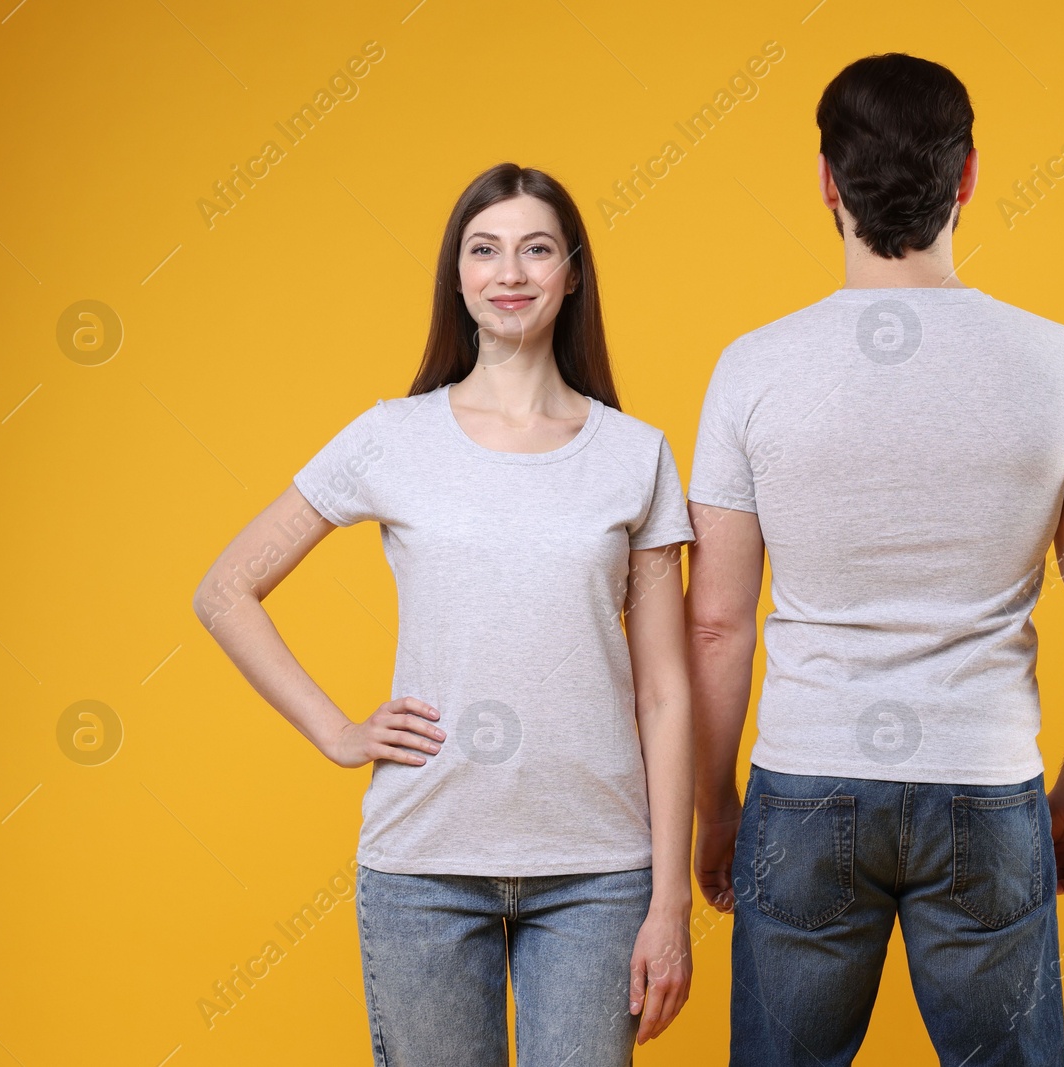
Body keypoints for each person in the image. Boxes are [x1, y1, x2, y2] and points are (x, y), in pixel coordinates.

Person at [685, 54, 1064, 1066]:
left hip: (802, 784)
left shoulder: (751, 369)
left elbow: (713, 621)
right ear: (967, 175)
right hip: (985, 783)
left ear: (825, 181)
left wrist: (716, 804)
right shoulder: (1061, 364)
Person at [193, 163, 695, 1067]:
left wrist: (669, 902)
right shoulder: (393, 436)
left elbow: (665, 691)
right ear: (457, 276)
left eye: (536, 248)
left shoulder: (635, 454)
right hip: (422, 864)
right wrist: (338, 731)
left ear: (572, 273)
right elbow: (225, 590)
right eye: (484, 249)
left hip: (595, 871)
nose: (510, 271)